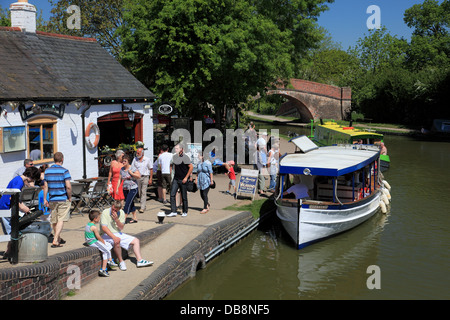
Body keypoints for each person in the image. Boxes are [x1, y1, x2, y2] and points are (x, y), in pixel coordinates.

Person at [0, 166, 41, 258]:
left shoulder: (17, 179)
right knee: (12, 231)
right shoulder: (19, 182)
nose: (32, 182)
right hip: (5, 208)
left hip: (4, 206)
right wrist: (24, 208)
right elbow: (13, 198)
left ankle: (9, 252)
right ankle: (11, 252)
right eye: (33, 179)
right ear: (30, 176)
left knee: (12, 230)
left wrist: (24, 207)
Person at [100, 201, 153, 271]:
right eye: (113, 209)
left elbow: (121, 227)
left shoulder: (121, 212)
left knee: (136, 241)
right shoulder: (105, 212)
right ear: (112, 205)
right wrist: (114, 237)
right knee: (117, 241)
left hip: (117, 232)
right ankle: (121, 261)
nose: (114, 211)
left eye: (116, 210)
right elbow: (104, 228)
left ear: (119, 209)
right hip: (106, 234)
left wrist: (116, 220)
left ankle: (139, 260)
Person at [43, 152, 72, 248]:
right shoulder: (64, 171)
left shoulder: (47, 171)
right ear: (62, 159)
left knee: (54, 220)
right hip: (62, 198)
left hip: (52, 198)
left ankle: (58, 238)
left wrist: (44, 199)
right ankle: (55, 239)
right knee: (60, 219)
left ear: (53, 159)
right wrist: (70, 196)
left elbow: (45, 186)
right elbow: (68, 186)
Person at [85, 209, 117, 277]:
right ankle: (106, 265)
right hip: (93, 242)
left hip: (90, 241)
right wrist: (103, 242)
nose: (99, 219)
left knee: (109, 245)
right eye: (99, 218)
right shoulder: (94, 227)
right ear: (95, 218)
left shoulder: (88, 224)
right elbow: (98, 237)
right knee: (107, 250)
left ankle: (107, 264)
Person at [168, 143, 193, 217]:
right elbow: (172, 165)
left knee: (184, 196)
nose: (175, 150)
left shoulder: (185, 157)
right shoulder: (174, 157)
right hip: (176, 178)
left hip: (183, 179)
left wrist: (186, 177)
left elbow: (191, 167)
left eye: (177, 148)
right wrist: (171, 174)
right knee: (172, 194)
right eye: (175, 148)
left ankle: (185, 211)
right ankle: (173, 211)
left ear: (181, 149)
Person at [117, 154, 141, 224]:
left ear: (128, 161)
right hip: (125, 188)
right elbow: (119, 179)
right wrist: (117, 188)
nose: (123, 163)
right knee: (131, 203)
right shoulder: (122, 169)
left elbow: (139, 176)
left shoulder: (132, 168)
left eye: (125, 161)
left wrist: (132, 174)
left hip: (133, 188)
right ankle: (135, 218)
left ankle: (123, 219)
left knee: (127, 203)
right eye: (122, 161)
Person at [131, 147, 153, 213]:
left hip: (145, 177)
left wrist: (150, 178)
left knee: (143, 192)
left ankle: (142, 207)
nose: (137, 154)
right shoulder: (135, 159)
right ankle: (143, 205)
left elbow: (151, 169)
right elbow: (132, 167)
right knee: (139, 192)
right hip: (138, 178)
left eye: (138, 153)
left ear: (142, 153)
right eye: (136, 153)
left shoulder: (147, 159)